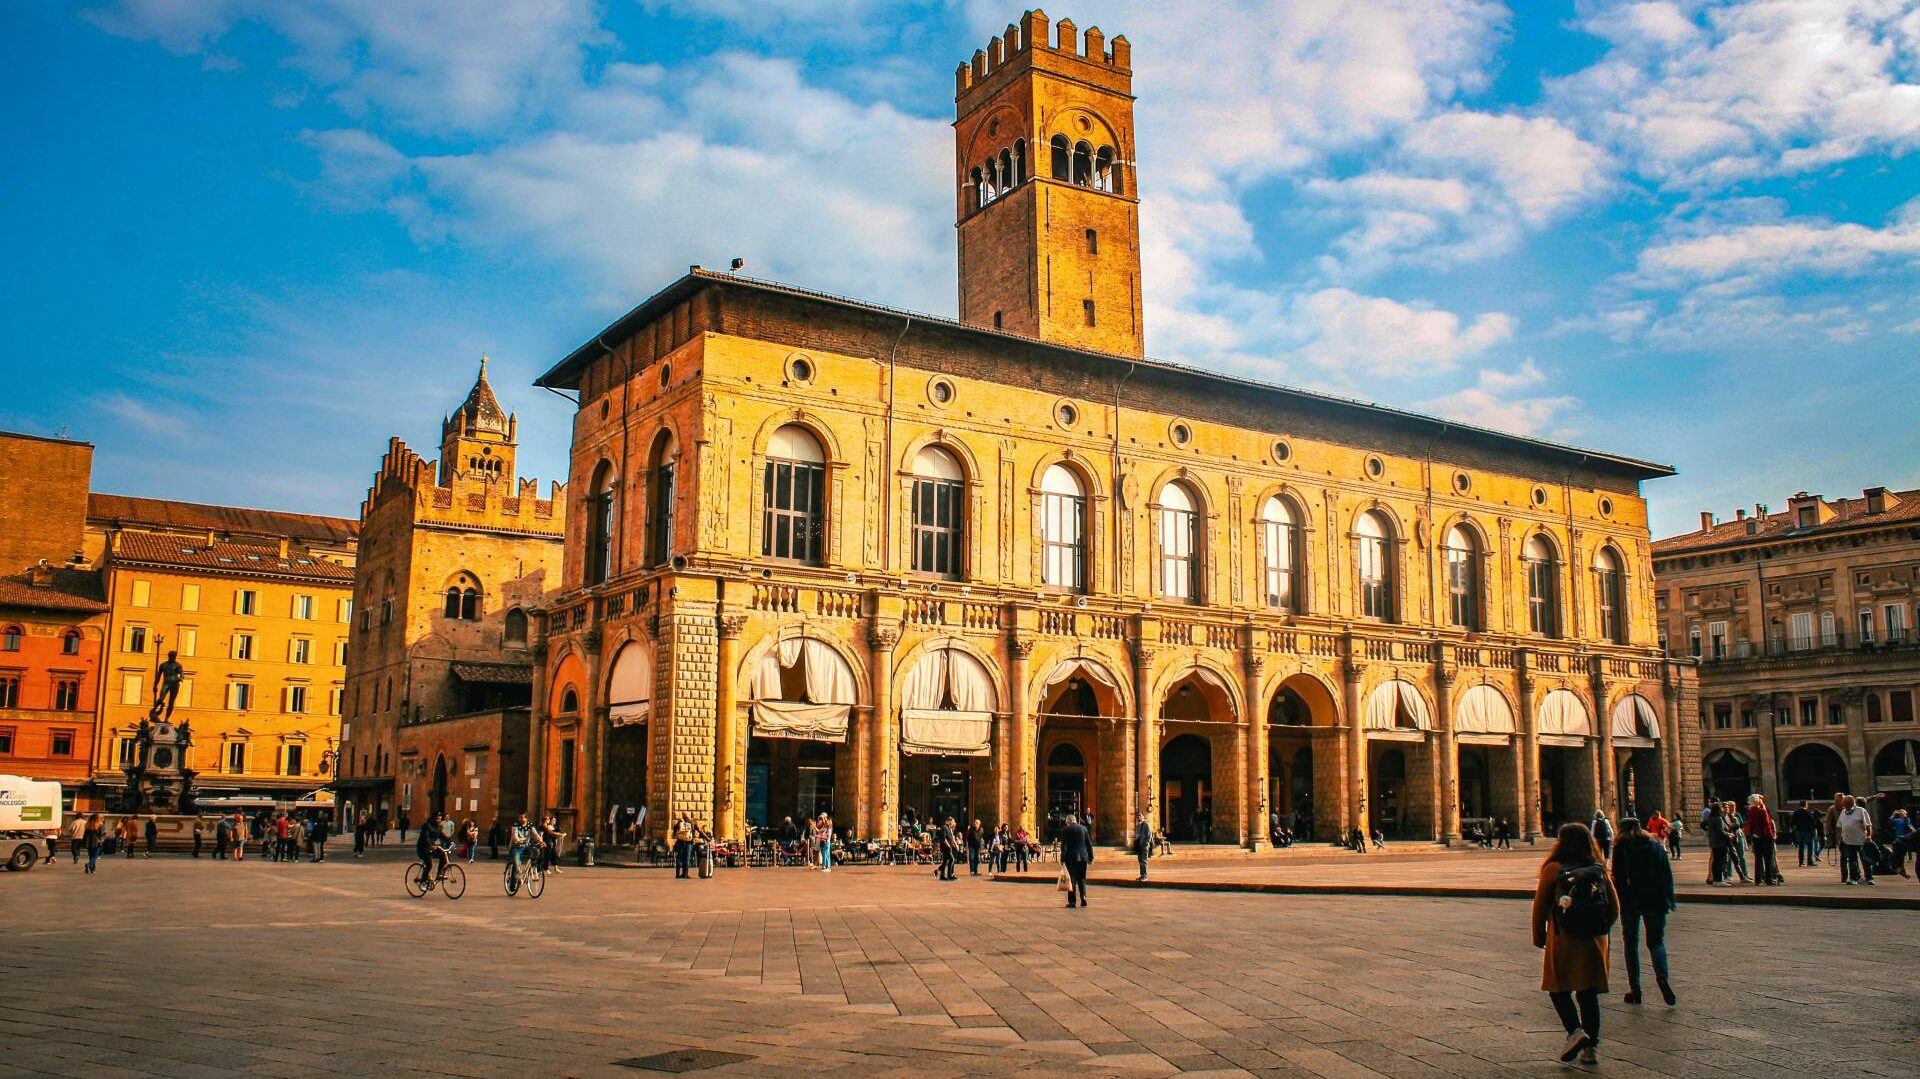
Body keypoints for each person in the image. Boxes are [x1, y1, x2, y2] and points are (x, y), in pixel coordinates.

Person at [1531, 822, 1618, 1065]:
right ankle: (1590, 1049)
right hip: (1594, 940)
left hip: (1563, 938)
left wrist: (1539, 935)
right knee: (1588, 994)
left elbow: (1540, 906)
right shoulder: (1597, 868)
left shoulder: (1554, 868)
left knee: (1558, 989)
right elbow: (1614, 907)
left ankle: (1575, 1032)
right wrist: (1600, 930)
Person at [1610, 817, 1677, 1007]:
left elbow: (1617, 877)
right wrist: (1667, 899)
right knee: (1656, 942)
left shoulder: (1621, 847)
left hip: (1631, 901)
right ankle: (1662, 977)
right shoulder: (1655, 845)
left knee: (1630, 943)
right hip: (1655, 900)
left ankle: (1635, 988)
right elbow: (1666, 874)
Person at [1835, 794, 1875, 885]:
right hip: (1848, 841)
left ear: (1852, 803)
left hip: (1861, 840)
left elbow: (1868, 825)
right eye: (1844, 804)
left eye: (1847, 804)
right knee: (1852, 860)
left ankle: (1869, 878)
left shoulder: (1861, 811)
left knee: (1865, 860)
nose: (1845, 806)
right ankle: (1854, 878)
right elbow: (1840, 825)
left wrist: (1869, 836)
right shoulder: (1843, 812)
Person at [1744, 795, 1781, 885]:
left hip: (1756, 837)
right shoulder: (1762, 811)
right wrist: (1771, 836)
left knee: (1758, 859)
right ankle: (1769, 879)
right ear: (1757, 801)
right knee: (1768, 859)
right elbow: (1766, 825)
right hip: (1765, 837)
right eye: (1760, 799)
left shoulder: (1750, 811)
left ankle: (1758, 879)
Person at [1059, 812, 1094, 908]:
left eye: (1066, 822)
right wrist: (1091, 857)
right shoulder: (1084, 829)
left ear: (1068, 822)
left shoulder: (1066, 830)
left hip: (1071, 858)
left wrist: (1062, 859)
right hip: (1083, 858)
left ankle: (1072, 901)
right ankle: (1083, 898)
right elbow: (1089, 844)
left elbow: (1064, 847)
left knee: (1072, 880)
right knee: (1082, 879)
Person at [415, 811, 450, 882]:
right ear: (433, 819)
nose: (439, 820)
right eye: (437, 819)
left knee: (442, 854)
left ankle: (439, 874)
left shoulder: (438, 827)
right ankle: (423, 881)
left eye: (440, 819)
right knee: (429, 865)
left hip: (431, 848)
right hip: (423, 849)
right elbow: (425, 837)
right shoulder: (427, 825)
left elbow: (442, 836)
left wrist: (450, 841)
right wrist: (431, 845)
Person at [1790, 800, 1819, 867]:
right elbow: (1813, 823)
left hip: (1799, 831)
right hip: (1808, 831)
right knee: (1810, 846)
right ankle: (1810, 861)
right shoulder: (1808, 813)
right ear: (1806, 804)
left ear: (1800, 805)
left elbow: (1792, 823)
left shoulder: (1796, 813)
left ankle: (1801, 862)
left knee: (1801, 847)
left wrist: (1794, 833)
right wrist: (1815, 832)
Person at [673, 813, 697, 879]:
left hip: (680, 842)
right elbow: (696, 831)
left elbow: (674, 829)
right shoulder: (691, 822)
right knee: (687, 858)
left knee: (679, 857)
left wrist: (675, 835)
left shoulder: (680, 821)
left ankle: (677, 874)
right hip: (689, 842)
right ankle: (685, 874)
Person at [1133, 813, 1153, 882]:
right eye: (1137, 816)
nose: (1138, 817)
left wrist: (1146, 843)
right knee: (1140, 860)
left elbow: (1149, 835)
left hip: (1144, 845)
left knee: (1144, 861)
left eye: (1140, 816)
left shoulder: (1146, 824)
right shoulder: (1138, 825)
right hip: (1139, 845)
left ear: (1143, 816)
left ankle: (1145, 876)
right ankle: (1142, 875)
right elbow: (1137, 834)